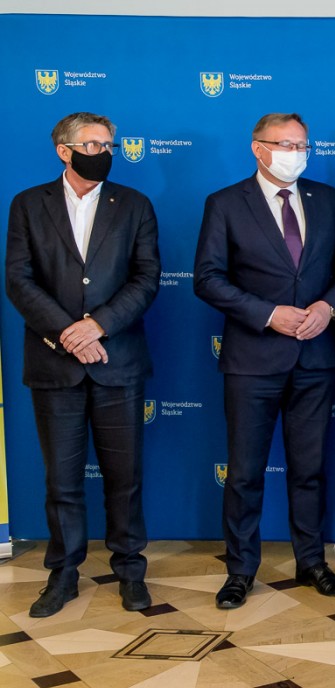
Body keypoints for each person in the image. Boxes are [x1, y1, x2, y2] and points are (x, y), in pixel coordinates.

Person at [194, 113, 335, 609]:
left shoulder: (326, 199)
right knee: (245, 473)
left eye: (302, 144)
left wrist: (328, 307)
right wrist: (268, 314)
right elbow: (208, 278)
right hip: (252, 360)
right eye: (285, 144)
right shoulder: (225, 203)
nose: (296, 153)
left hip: (315, 358)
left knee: (309, 469)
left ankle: (312, 563)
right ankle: (240, 571)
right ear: (258, 148)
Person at [6, 112, 160, 617]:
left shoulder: (134, 205)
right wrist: (68, 335)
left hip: (118, 360)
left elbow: (146, 277)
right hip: (55, 365)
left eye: (109, 144)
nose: (104, 152)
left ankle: (130, 570)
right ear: (64, 150)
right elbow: (19, 280)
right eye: (93, 144)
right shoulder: (28, 204)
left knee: (125, 477)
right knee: (62, 480)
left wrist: (97, 326)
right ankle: (63, 574)